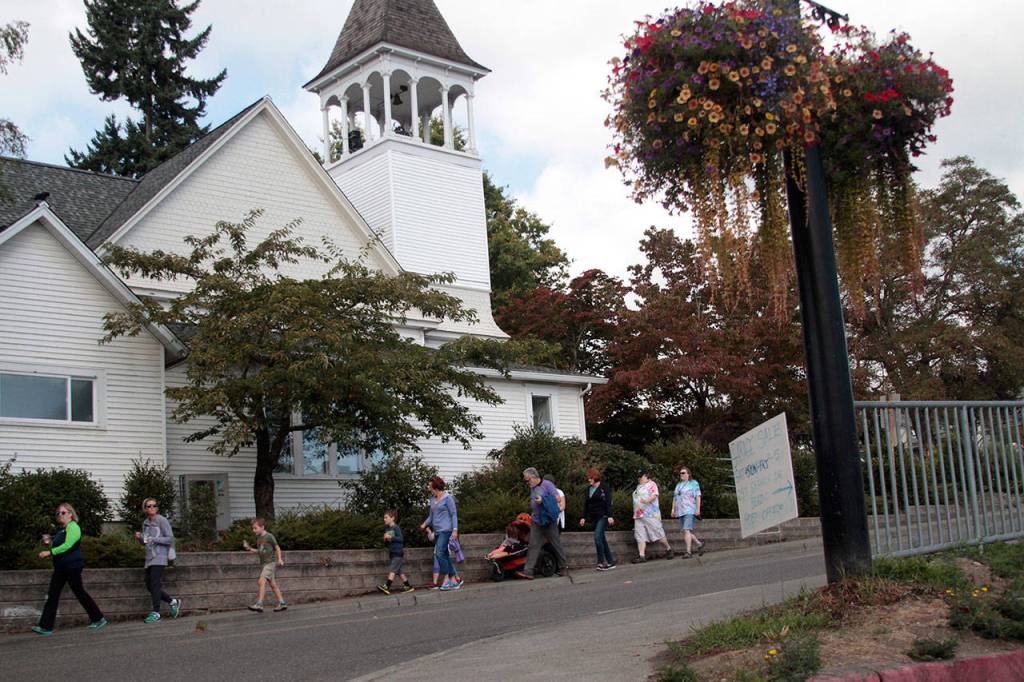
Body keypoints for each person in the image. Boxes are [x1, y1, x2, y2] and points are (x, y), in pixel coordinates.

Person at [32, 502, 107, 635]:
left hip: (72, 566)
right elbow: (60, 545)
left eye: (63, 512)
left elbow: (68, 545)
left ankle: (98, 618)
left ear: (70, 514)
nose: (60, 515)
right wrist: (49, 542)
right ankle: (46, 626)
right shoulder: (61, 529)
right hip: (61, 567)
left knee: (79, 592)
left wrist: (50, 552)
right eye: (58, 513)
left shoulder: (74, 527)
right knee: (53, 594)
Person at [135, 497, 181, 622]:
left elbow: (170, 538)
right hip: (149, 557)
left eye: (154, 506)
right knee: (149, 586)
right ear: (145, 509)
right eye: (149, 506)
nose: (152, 508)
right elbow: (145, 541)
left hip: (160, 556)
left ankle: (156, 612)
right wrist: (139, 538)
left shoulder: (162, 520)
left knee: (154, 584)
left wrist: (154, 539)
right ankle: (173, 601)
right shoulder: (145, 522)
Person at [517, 467, 568, 580]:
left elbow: (558, 499)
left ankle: (563, 567)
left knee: (556, 544)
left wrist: (543, 500)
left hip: (549, 521)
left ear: (534, 477)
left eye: (528, 480)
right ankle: (528, 572)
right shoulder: (533, 487)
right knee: (533, 545)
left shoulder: (547, 485)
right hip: (537, 521)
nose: (527, 482)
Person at [421, 476, 460, 591]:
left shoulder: (448, 498)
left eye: (429, 485)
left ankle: (446, 579)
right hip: (437, 531)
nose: (428, 487)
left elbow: (454, 514)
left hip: (446, 530)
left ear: (435, 486)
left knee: (439, 553)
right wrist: (424, 524)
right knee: (445, 556)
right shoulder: (432, 499)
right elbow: (431, 516)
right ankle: (454, 580)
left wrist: (455, 530)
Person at [243, 517, 287, 612]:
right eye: (253, 528)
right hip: (264, 564)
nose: (253, 530)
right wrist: (250, 549)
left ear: (262, 527)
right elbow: (260, 551)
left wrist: (280, 559)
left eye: (255, 528)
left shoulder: (269, 536)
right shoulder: (259, 539)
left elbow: (277, 547)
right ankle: (282, 603)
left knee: (261, 581)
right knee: (272, 584)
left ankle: (259, 604)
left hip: (270, 563)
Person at [631, 471, 673, 562]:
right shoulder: (638, 487)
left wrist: (647, 501)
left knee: (657, 532)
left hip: (650, 514)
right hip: (638, 515)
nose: (639, 479)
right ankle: (641, 556)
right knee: (639, 535)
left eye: (641, 477)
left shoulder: (652, 484)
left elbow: (654, 495)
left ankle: (668, 549)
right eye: (638, 477)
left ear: (646, 477)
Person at [579, 467, 616, 570]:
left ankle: (601, 562)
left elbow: (608, 502)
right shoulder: (588, 489)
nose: (589, 480)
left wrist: (610, 515)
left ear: (595, 477)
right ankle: (610, 562)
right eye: (588, 478)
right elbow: (586, 504)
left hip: (603, 516)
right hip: (594, 517)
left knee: (597, 537)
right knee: (602, 539)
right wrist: (583, 517)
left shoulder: (604, 487)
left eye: (590, 478)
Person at [672, 466, 706, 558]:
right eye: (680, 473)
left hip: (689, 510)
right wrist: (673, 509)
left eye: (683, 473)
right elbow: (675, 498)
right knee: (685, 531)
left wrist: (698, 509)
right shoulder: (678, 485)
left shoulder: (693, 483)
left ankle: (688, 552)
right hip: (681, 511)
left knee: (686, 530)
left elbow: (698, 496)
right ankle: (699, 544)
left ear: (688, 474)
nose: (681, 475)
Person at [378, 510, 414, 595]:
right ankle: (408, 586)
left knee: (393, 570)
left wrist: (391, 537)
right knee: (399, 571)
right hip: (392, 552)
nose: (384, 519)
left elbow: (401, 539)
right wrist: (385, 539)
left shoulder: (396, 527)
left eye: (386, 517)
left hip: (398, 552)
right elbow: (388, 543)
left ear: (392, 518)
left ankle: (386, 586)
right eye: (384, 517)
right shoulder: (388, 529)